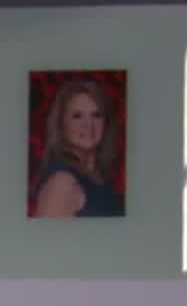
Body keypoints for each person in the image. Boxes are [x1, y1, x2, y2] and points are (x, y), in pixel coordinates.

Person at [31, 79, 125, 218]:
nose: (88, 125)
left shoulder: (101, 179)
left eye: (96, 115)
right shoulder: (62, 182)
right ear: (61, 124)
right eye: (77, 116)